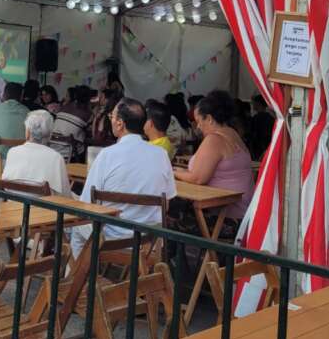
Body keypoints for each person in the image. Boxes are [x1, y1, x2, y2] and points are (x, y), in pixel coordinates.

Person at [70, 98, 176, 256]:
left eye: (111, 117)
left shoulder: (106, 155)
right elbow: (166, 205)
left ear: (120, 123)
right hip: (148, 240)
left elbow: (87, 204)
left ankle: (79, 272)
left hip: (111, 238)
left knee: (77, 224)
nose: (111, 120)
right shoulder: (161, 155)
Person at [183, 90, 254, 221]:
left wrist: (173, 172)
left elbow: (198, 178)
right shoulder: (233, 133)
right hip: (243, 214)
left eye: (198, 121)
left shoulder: (214, 139)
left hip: (224, 217)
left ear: (209, 119)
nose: (198, 127)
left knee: (169, 216)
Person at [2, 110, 72, 197]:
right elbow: (65, 195)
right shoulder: (56, 157)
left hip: (13, 204)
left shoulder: (12, 152)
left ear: (27, 132)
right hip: (41, 205)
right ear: (50, 135)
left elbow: (5, 186)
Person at [50, 85, 92, 160]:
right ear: (89, 99)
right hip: (68, 154)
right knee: (84, 143)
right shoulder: (86, 114)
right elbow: (90, 132)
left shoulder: (63, 108)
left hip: (53, 150)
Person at [250, 94, 276, 160]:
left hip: (257, 147)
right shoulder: (271, 118)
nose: (252, 105)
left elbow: (253, 133)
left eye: (253, 103)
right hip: (267, 145)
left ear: (258, 103)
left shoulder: (256, 118)